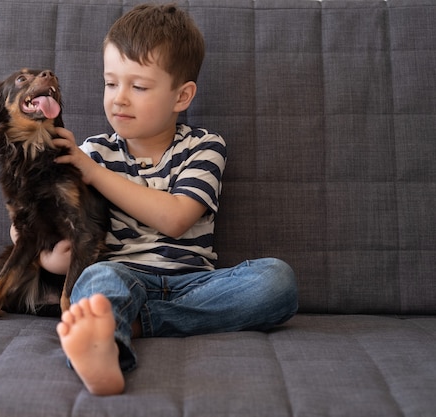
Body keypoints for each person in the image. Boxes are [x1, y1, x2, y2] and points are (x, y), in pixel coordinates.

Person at [22, 3, 298, 396]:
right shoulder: (93, 150)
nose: (119, 99)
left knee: (277, 281)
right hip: (121, 274)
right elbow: (48, 238)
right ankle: (104, 352)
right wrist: (45, 254)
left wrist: (95, 174)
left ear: (181, 96)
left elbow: (176, 218)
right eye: (111, 83)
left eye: (138, 87)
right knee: (97, 281)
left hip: (196, 284)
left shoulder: (205, 147)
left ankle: (129, 325)